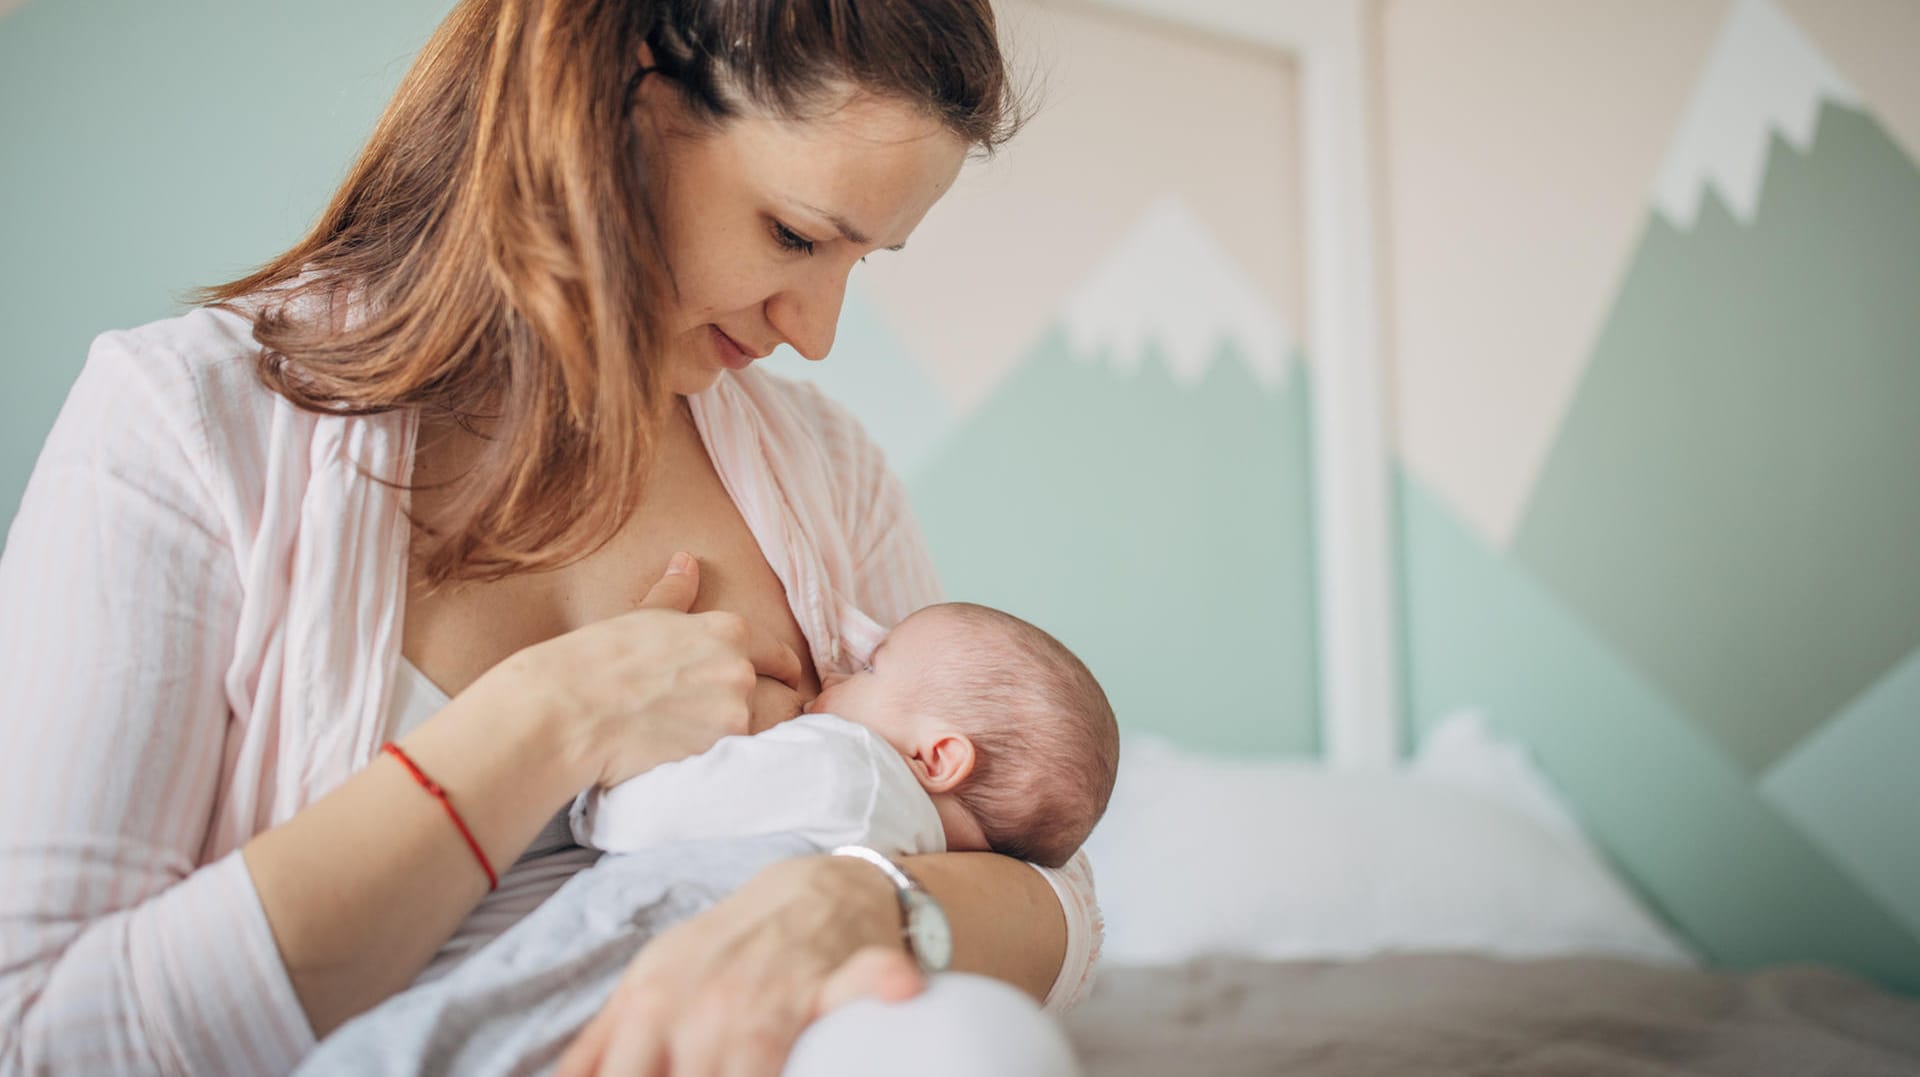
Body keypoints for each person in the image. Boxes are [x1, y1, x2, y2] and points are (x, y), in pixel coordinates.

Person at [0, 1, 1104, 1074]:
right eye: (795, 234)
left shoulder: (828, 474)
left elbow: (1054, 898)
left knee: (972, 1042)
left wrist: (868, 900)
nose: (814, 331)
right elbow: (43, 1034)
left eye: (862, 260)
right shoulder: (186, 424)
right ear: (610, 101)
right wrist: (559, 718)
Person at [292, 600, 1119, 1074]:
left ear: (937, 755)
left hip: (652, 921)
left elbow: (655, 815)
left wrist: (598, 784)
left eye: (870, 671)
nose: (834, 671)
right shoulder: (909, 833)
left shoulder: (852, 768)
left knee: (478, 1022)